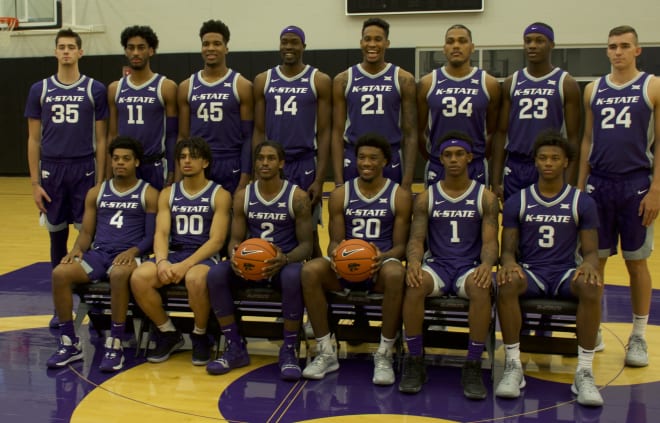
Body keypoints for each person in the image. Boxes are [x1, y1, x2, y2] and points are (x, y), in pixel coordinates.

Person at [497, 131, 603, 407]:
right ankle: (513, 366)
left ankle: (585, 371)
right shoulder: (517, 201)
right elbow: (507, 250)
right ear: (535, 162)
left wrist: (591, 265)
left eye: (555, 158)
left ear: (566, 162)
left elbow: (591, 252)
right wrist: (508, 263)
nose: (548, 163)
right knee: (506, 282)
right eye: (543, 158)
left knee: (592, 284)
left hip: (565, 272)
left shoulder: (582, 201)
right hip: (532, 271)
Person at [577, 25, 660, 368]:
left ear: (637, 50)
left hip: (636, 183)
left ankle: (638, 335)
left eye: (625, 46)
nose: (618, 52)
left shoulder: (652, 86)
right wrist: (580, 190)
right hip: (599, 183)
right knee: (595, 260)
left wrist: (656, 189)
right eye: (613, 46)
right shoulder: (593, 89)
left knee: (636, 262)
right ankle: (592, 328)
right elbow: (586, 141)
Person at [301, 133, 412, 385]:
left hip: (379, 267)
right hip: (345, 267)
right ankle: (326, 351)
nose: (366, 163)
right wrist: (335, 255)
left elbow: (401, 247)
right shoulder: (341, 194)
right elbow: (334, 241)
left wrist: (383, 257)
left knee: (396, 274)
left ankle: (384, 354)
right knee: (310, 271)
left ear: (385, 161)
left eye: (373, 158)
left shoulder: (399, 196)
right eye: (361, 157)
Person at [398, 131, 499, 399]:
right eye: (447, 155)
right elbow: (417, 238)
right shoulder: (426, 197)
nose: (453, 160)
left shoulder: (486, 198)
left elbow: (490, 242)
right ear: (440, 159)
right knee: (415, 285)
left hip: (469, 266)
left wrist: (487, 265)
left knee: (480, 288)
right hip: (438, 266)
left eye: (458, 154)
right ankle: (415, 360)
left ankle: (473, 364)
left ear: (469, 157)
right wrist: (415, 262)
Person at [46, 136, 158, 372]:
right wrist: (77, 250)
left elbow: (151, 237)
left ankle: (114, 343)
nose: (120, 163)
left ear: (136, 162)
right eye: (116, 159)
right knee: (60, 273)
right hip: (100, 255)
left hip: (131, 256)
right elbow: (86, 232)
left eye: (126, 159)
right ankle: (69, 343)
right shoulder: (96, 192)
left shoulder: (148, 193)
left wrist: (133, 251)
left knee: (118, 274)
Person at [205, 141, 313, 380]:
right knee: (215, 274)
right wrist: (235, 255)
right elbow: (235, 238)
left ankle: (288, 350)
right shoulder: (243, 196)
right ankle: (234, 346)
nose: (265, 163)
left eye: (271, 158)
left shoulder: (298, 197)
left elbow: (307, 246)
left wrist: (284, 259)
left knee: (295, 275)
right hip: (249, 265)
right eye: (261, 158)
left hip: (281, 265)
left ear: (281, 163)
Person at [25, 28, 108, 328]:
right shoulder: (40, 89)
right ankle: (61, 307)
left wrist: (100, 180)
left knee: (90, 239)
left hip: (83, 168)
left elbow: (102, 139)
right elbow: (34, 140)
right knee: (56, 238)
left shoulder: (94, 89)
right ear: (55, 52)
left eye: (71, 47)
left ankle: (96, 304)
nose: (66, 52)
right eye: (61, 47)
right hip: (52, 171)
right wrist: (35, 183)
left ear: (80, 52)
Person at [130, 137, 231, 365]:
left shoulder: (220, 194)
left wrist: (185, 265)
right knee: (139, 277)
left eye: (193, 157)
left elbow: (216, 241)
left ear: (205, 162)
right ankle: (168, 332)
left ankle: (200, 335)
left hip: (203, 256)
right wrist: (163, 262)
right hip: (175, 253)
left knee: (195, 279)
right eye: (183, 157)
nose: (187, 161)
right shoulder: (168, 193)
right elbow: (161, 234)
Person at [253, 25, 331, 257]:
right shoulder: (263, 80)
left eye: (294, 42)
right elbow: (258, 130)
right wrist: (256, 168)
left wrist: (320, 179)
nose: (289, 46)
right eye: (284, 41)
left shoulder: (319, 80)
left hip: (304, 162)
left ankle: (318, 279)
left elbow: (325, 132)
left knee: (310, 231)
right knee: (269, 224)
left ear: (303, 47)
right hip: (272, 164)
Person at [491, 22, 581, 201]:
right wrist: (495, 181)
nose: (532, 45)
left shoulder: (566, 83)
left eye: (539, 41)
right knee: (512, 225)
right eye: (528, 41)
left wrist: (569, 184)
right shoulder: (512, 82)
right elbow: (501, 133)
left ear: (552, 45)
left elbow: (573, 139)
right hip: (516, 165)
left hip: (549, 166)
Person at [331, 17, 417, 191]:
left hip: (390, 157)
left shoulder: (403, 79)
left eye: (378, 39)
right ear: (361, 42)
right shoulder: (343, 80)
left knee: (392, 215)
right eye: (367, 39)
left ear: (387, 43)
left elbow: (410, 133)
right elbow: (337, 133)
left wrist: (408, 181)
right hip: (355, 157)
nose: (372, 44)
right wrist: (338, 180)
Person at [417, 24, 501, 187]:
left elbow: (493, 133)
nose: (456, 45)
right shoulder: (427, 83)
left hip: (475, 164)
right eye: (451, 41)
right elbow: (418, 131)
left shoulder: (489, 84)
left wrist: (479, 156)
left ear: (472, 47)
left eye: (462, 41)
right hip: (438, 164)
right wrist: (434, 156)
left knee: (476, 212)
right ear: (444, 48)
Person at [177, 19, 254, 194]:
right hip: (197, 161)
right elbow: (182, 135)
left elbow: (248, 136)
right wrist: (179, 174)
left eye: (217, 44)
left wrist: (245, 176)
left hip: (229, 161)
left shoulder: (241, 85)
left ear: (226, 48)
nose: (210, 48)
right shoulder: (186, 87)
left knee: (230, 218)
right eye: (206, 44)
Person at [108, 25, 178, 190]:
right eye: (131, 48)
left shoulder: (166, 87)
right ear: (126, 51)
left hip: (154, 165)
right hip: (125, 166)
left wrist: (173, 170)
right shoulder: (114, 89)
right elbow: (112, 135)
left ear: (151, 51)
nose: (136, 53)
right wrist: (108, 173)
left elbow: (172, 135)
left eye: (141, 47)